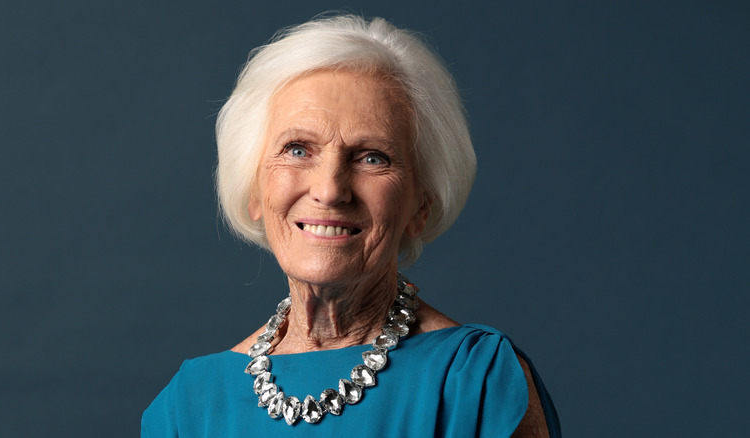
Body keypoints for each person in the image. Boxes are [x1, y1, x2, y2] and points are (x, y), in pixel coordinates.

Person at [142, 14, 560, 437]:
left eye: (372, 157)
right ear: (254, 189)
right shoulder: (188, 406)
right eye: (298, 149)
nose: (329, 190)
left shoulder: (477, 383)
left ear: (421, 205)